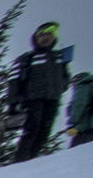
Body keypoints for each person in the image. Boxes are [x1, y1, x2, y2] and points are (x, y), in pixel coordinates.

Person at [7, 22, 75, 163]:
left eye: (49, 35)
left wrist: (61, 87)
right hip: (32, 99)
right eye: (42, 35)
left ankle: (32, 161)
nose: (45, 38)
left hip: (53, 99)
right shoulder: (26, 58)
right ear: (36, 38)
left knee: (44, 132)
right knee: (31, 130)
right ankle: (20, 163)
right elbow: (13, 81)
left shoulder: (59, 57)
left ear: (54, 37)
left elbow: (66, 77)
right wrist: (13, 103)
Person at [69, 71, 93, 147]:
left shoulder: (82, 86)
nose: (72, 86)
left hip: (85, 129)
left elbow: (79, 106)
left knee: (74, 154)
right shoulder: (90, 85)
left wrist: (72, 122)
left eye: (73, 83)